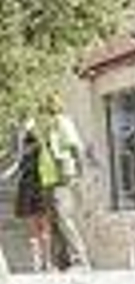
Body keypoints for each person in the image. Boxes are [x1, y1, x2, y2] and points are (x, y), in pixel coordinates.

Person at [35, 113, 90, 270]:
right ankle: (64, 263)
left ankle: (80, 259)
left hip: (62, 178)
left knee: (64, 218)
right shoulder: (43, 128)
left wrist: (78, 174)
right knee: (54, 221)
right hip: (48, 179)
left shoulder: (62, 123)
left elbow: (76, 147)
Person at [8, 125, 55, 274]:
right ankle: (46, 263)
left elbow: (16, 167)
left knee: (34, 228)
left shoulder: (26, 152)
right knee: (44, 226)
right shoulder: (43, 148)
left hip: (28, 188)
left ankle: (38, 263)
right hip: (41, 187)